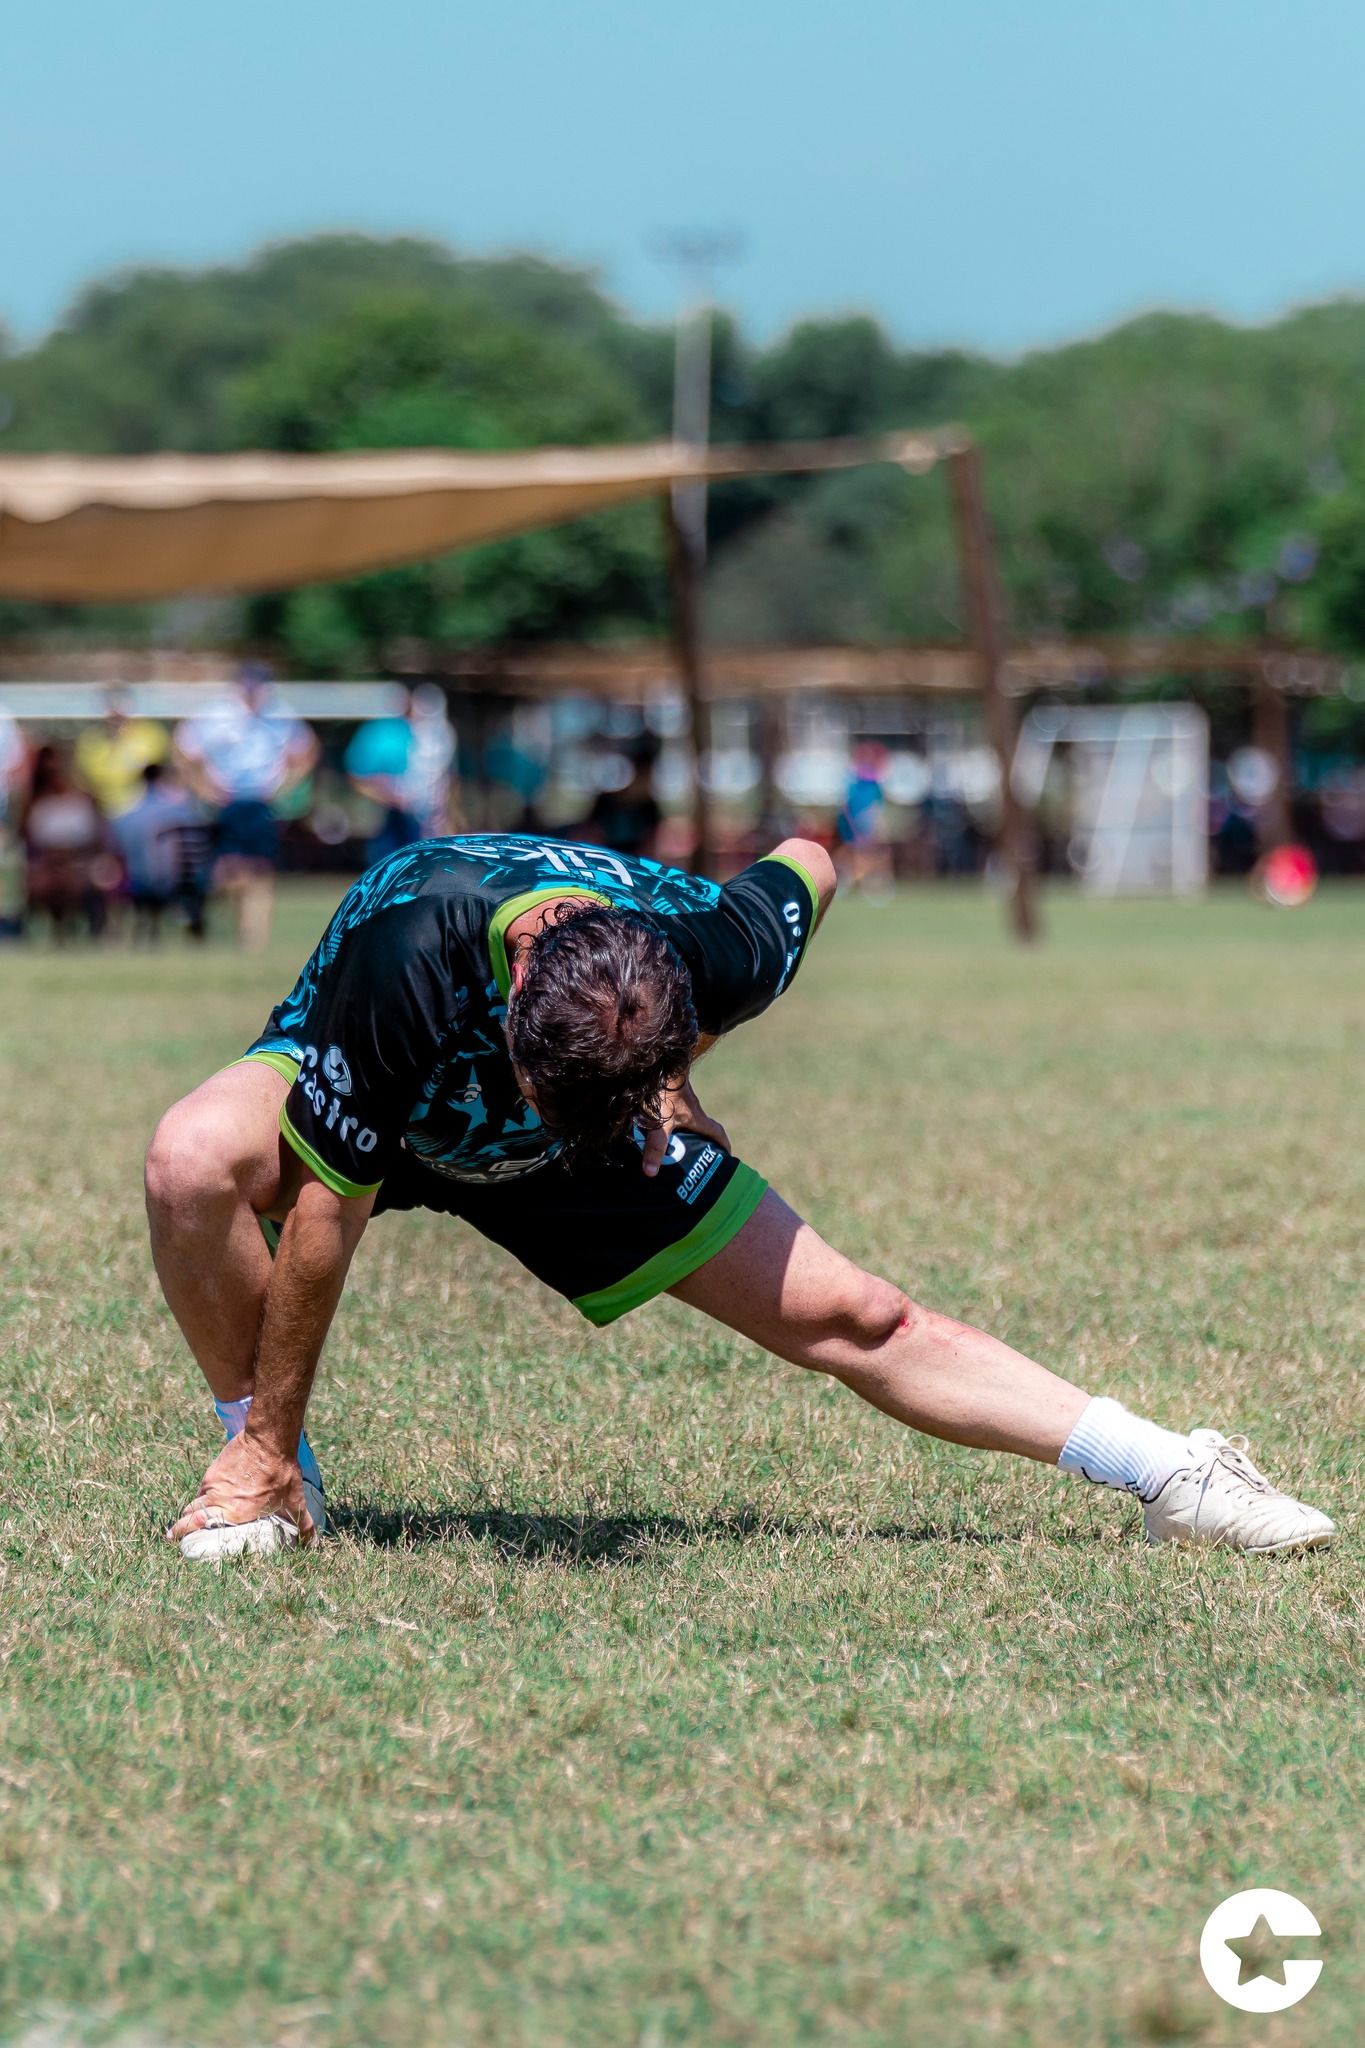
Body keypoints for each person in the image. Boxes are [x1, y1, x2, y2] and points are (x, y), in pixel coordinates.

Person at [145, 832, 1335, 1563]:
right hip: (395, 1084)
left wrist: (670, 1081)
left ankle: (1172, 1471)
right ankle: (267, 1478)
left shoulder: (714, 949)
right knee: (191, 1159)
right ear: (512, 1007)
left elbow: (813, 855)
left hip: (601, 1111)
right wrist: (267, 1445)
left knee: (858, 1313)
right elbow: (323, 1216)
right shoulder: (413, 955)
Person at [174, 670, 317, 950]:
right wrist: (204, 789)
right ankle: (202, 915)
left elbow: (306, 753)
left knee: (261, 870)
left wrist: (283, 788)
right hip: (227, 804)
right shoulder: (215, 714)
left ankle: (252, 938)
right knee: (227, 871)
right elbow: (183, 753)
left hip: (261, 803)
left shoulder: (281, 716)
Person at [344, 684, 455, 867]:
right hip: (401, 807)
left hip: (423, 809)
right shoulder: (391, 732)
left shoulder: (437, 735)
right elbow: (361, 776)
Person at [110, 762, 211, 941]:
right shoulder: (186, 813)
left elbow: (116, 853)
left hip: (143, 885)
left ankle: (144, 934)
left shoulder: (126, 818)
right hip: (187, 885)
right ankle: (195, 932)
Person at [21, 744, 113, 940]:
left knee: (79, 881)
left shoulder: (85, 800)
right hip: (48, 863)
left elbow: (98, 838)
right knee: (42, 883)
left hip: (79, 861)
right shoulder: (36, 804)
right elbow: (29, 838)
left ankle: (94, 931)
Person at [74, 690, 170, 819]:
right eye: (110, 707)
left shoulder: (151, 735)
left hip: (147, 809)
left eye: (120, 706)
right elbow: (84, 780)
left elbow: (164, 774)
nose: (116, 714)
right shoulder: (89, 740)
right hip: (105, 813)